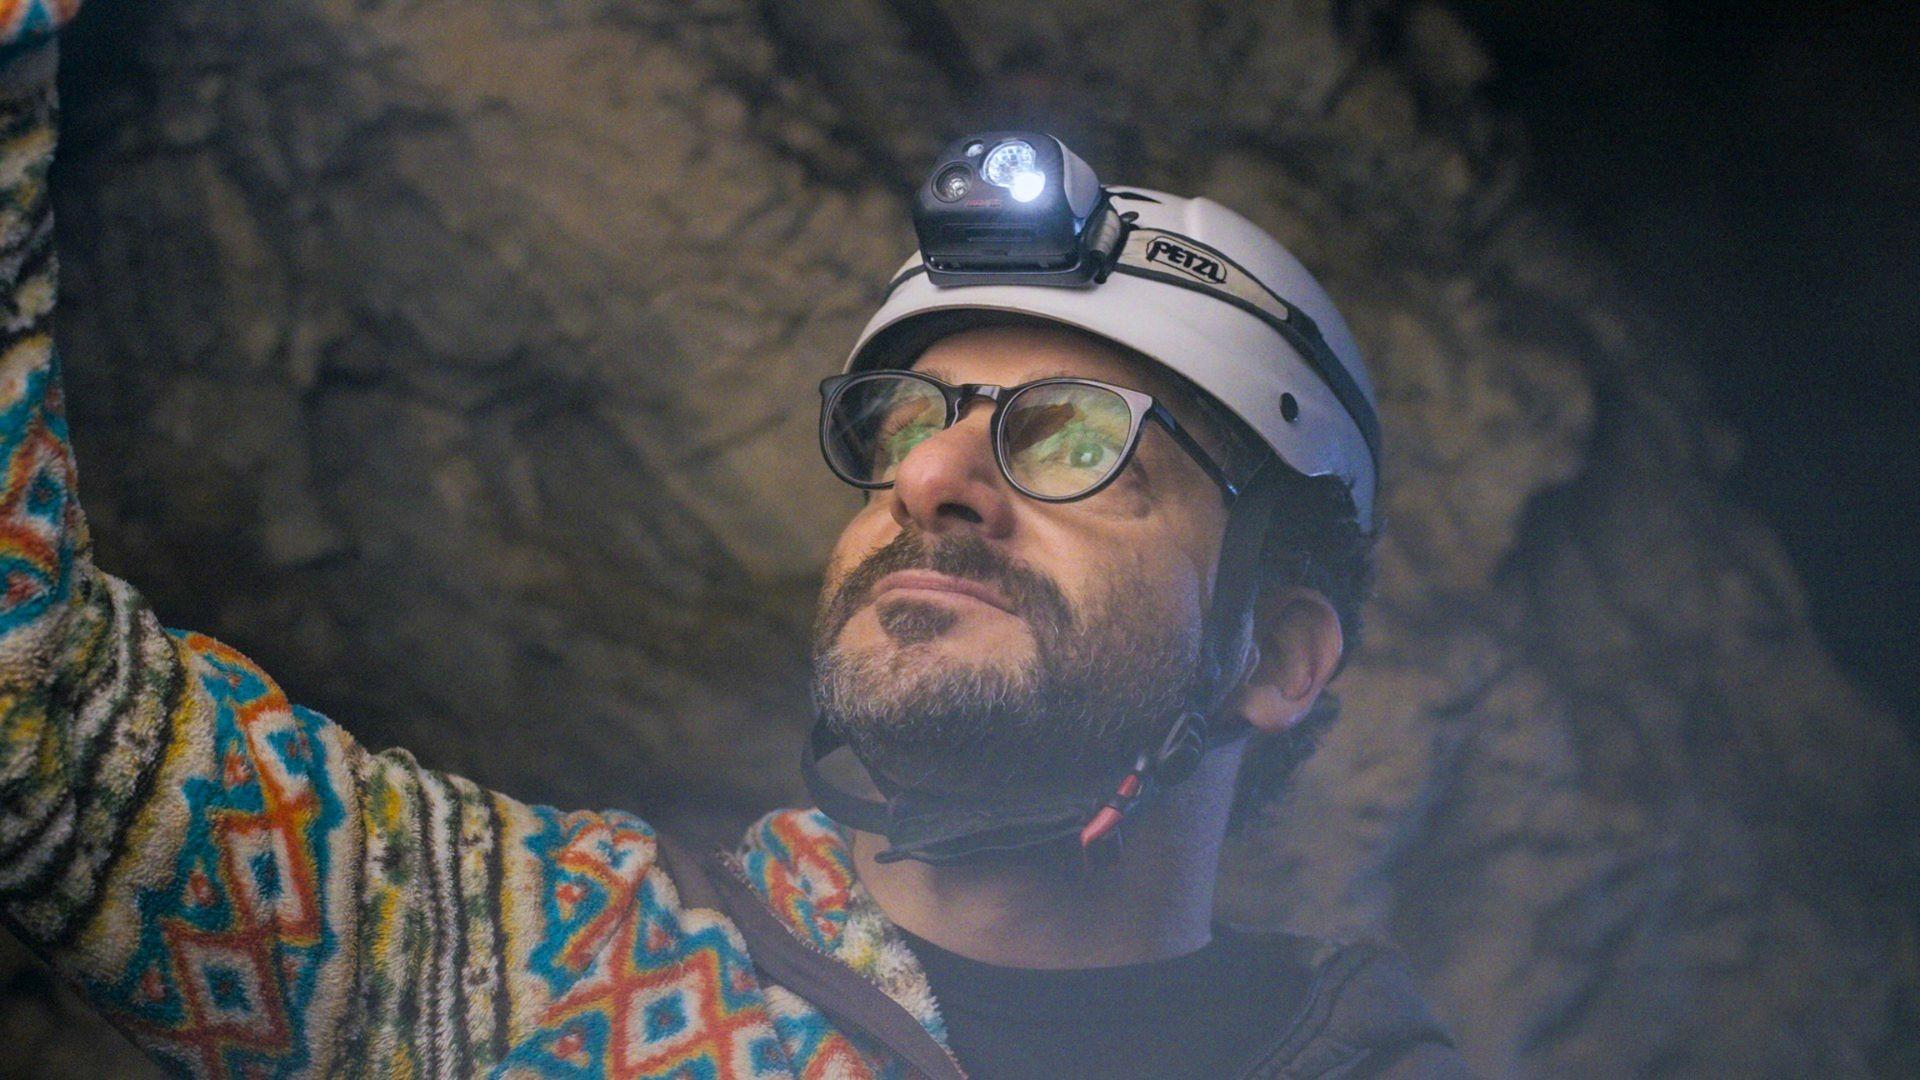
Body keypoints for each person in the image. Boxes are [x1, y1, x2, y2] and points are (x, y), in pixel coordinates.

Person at [0, 5, 1469, 1077]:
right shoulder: (523, 957)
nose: (934, 477)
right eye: (909, 422)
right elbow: (37, 717)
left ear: (1277, 658)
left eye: (1073, 436)